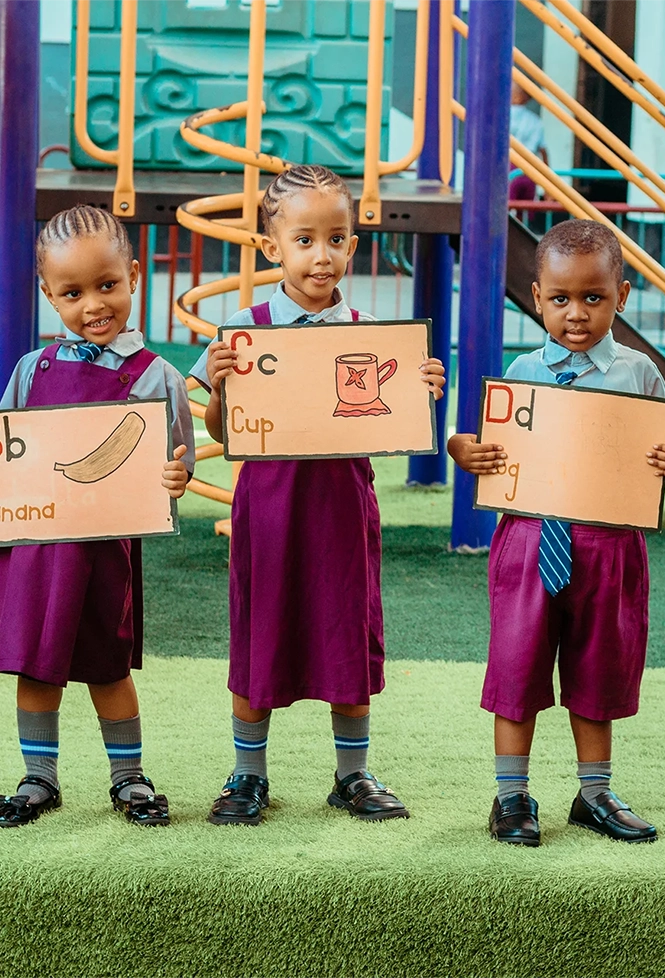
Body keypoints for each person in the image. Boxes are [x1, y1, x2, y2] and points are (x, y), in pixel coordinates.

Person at [191, 164, 446, 826]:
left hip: (340, 508)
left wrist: (419, 389)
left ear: (353, 244)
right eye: (303, 240)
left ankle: (352, 774)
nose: (321, 255)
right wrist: (220, 389)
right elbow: (225, 432)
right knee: (260, 632)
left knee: (347, 632)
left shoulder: (369, 331)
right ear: (272, 244)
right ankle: (248, 776)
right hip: (269, 511)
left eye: (336, 238)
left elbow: (392, 418)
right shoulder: (243, 329)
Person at [448, 219, 665, 847]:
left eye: (593, 298)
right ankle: (511, 797)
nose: (576, 314)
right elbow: (481, 443)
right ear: (536, 297)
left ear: (621, 296)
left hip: (609, 545)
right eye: (561, 298)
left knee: (601, 667)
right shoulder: (522, 369)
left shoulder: (639, 373)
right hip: (531, 541)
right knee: (517, 667)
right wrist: (464, 449)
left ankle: (594, 793)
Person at [0, 205, 194, 828]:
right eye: (72, 292)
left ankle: (129, 778)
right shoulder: (33, 371)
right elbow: (10, 451)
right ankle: (39, 778)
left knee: (108, 666)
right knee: (37, 664)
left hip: (109, 551)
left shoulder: (158, 377)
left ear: (134, 275)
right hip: (37, 550)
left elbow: (176, 467)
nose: (93, 305)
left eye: (107, 285)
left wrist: (175, 478)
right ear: (48, 294)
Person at [509, 82, 548, 204]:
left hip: (507, 168)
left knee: (505, 209)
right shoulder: (535, 121)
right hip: (529, 169)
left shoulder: (501, 117)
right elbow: (543, 151)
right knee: (526, 209)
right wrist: (548, 186)